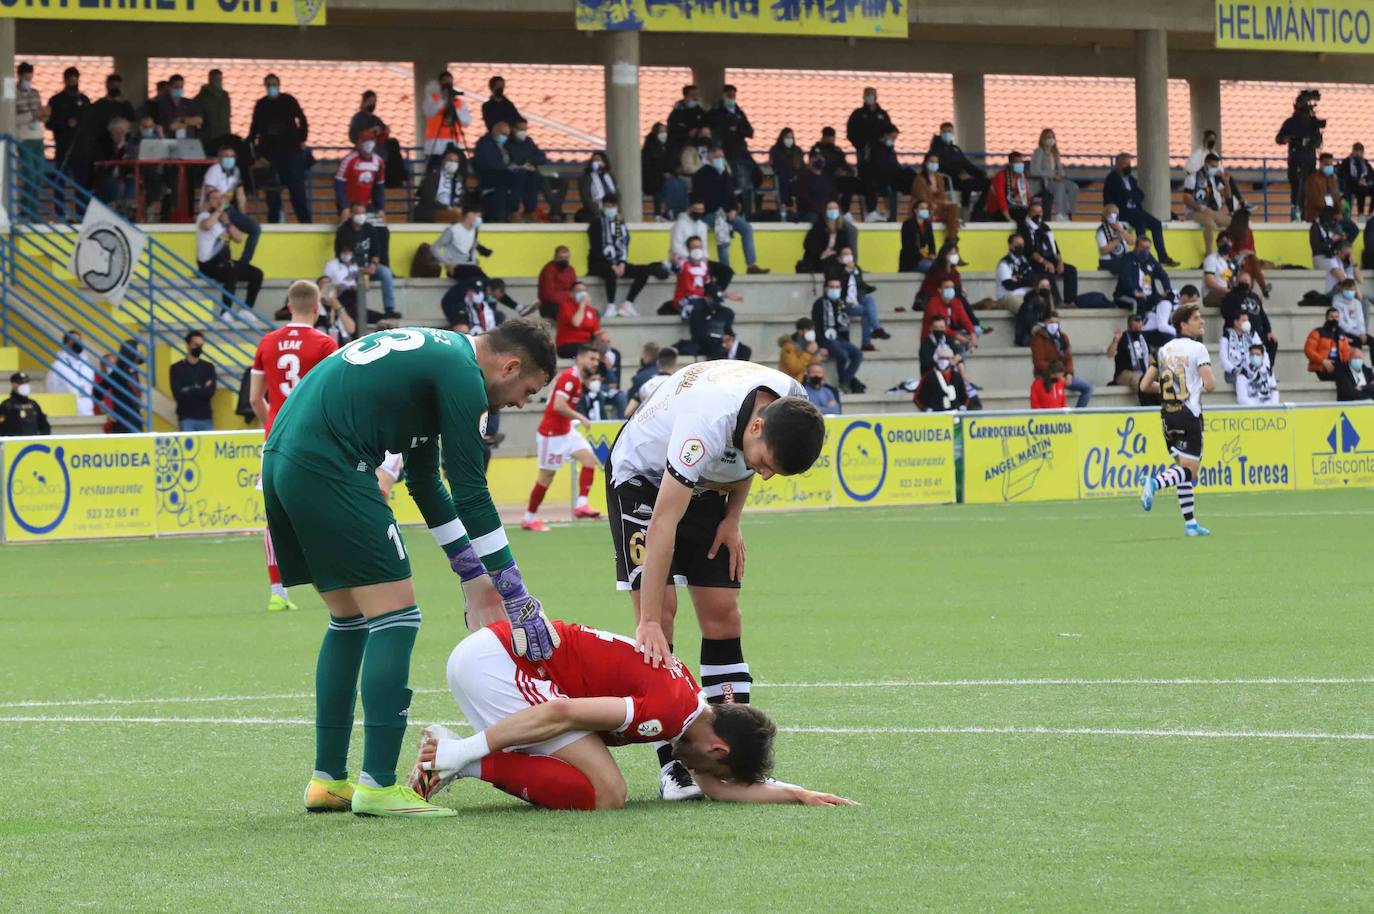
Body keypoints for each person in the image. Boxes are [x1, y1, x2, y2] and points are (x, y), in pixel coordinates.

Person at [262, 317, 557, 818]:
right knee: (397, 619)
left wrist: (471, 574)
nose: (521, 403)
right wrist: (516, 595)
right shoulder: (463, 374)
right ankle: (377, 787)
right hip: (332, 466)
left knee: (350, 620)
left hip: (283, 460)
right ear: (509, 366)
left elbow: (424, 482)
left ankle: (328, 780)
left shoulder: (436, 360)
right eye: (527, 389)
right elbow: (471, 490)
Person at [605, 359, 823, 800]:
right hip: (645, 481)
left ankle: (731, 755)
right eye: (766, 464)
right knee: (661, 622)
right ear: (757, 427)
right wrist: (645, 620)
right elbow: (664, 522)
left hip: (712, 486)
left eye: (773, 473)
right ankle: (673, 765)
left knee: (723, 615)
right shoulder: (705, 422)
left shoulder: (792, 404)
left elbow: (748, 461)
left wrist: (733, 518)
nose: (764, 474)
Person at [408, 618, 851, 810]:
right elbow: (560, 712)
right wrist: (466, 748)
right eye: (719, 767)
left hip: (501, 660)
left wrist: (799, 793)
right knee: (608, 793)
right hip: (499, 664)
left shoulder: (689, 707)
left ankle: (460, 759)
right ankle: (459, 757)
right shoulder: (670, 712)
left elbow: (717, 789)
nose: (705, 776)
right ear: (718, 747)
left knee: (599, 779)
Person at [249, 281, 340, 613]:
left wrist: (270, 424)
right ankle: (334, 584)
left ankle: (277, 591)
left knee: (276, 518)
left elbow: (254, 398)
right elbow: (333, 393)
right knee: (326, 510)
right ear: (318, 308)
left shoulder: (267, 342)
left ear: (288, 306)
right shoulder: (325, 344)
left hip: (275, 440)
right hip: (312, 441)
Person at [1139, 303, 1216, 537]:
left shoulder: (1163, 350)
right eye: (1196, 318)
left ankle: (1190, 523)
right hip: (1188, 413)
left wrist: (1168, 390)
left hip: (1167, 415)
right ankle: (1154, 483)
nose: (1202, 322)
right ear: (1184, 324)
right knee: (1189, 473)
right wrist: (1196, 387)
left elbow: (1144, 386)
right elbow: (1211, 385)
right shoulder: (1198, 349)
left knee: (1182, 470)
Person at [522, 346, 604, 532]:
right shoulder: (570, 377)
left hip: (566, 431)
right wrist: (580, 417)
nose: (595, 363)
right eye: (592, 359)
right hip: (552, 434)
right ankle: (529, 518)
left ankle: (582, 504)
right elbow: (559, 406)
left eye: (597, 360)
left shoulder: (578, 379)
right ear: (581, 358)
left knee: (589, 458)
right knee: (546, 477)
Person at [588, 195, 669, 318]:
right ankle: (610, 306)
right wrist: (612, 264)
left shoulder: (618, 224)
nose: (611, 209)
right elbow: (596, 248)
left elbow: (621, 244)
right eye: (608, 206)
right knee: (610, 272)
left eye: (613, 206)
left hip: (617, 263)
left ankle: (628, 304)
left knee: (643, 272)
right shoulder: (596, 223)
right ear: (602, 207)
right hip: (598, 262)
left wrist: (622, 263)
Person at [691, 146, 769, 274]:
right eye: (716, 157)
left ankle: (751, 265)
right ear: (709, 156)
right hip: (709, 213)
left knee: (746, 228)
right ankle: (725, 269)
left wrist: (732, 209)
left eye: (721, 157)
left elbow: (730, 195)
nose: (719, 160)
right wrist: (720, 212)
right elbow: (701, 198)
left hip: (727, 213)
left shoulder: (725, 174)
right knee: (723, 230)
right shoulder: (701, 174)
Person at [247, 73, 311, 224]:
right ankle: (273, 225)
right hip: (269, 154)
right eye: (269, 84)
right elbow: (254, 128)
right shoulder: (261, 104)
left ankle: (306, 224)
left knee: (297, 193)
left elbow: (302, 119)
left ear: (279, 85)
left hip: (291, 151)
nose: (271, 87)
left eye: (274, 84)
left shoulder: (288, 100)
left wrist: (302, 139)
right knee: (272, 195)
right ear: (265, 86)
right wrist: (253, 149)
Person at [197, 188, 263, 322]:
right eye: (214, 198)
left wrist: (227, 222)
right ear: (208, 202)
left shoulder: (224, 220)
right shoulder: (203, 216)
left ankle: (246, 309)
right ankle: (225, 312)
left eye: (220, 198)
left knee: (257, 274)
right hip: (208, 264)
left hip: (225, 262)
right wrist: (220, 211)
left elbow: (239, 238)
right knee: (231, 269)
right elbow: (208, 225)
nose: (219, 201)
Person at [1104, 152, 1179, 266]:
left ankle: (1163, 256)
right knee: (1141, 223)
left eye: (1129, 163)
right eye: (1125, 164)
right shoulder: (1112, 179)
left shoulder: (1131, 179)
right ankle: (1141, 255)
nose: (1128, 166)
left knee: (1156, 224)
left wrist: (1131, 196)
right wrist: (1131, 196)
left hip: (1136, 211)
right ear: (1117, 165)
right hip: (1123, 212)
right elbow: (1121, 195)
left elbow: (1140, 194)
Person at [199, 143, 260, 265]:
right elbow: (211, 195)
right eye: (226, 156)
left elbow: (240, 195)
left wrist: (243, 215)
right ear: (219, 158)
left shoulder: (236, 171)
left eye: (232, 156)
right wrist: (221, 214)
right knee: (223, 235)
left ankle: (244, 263)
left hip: (228, 209)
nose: (230, 159)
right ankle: (216, 263)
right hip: (212, 210)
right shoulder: (214, 171)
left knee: (255, 229)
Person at [336, 203, 398, 319]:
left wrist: (373, 264)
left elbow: (376, 251)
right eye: (358, 213)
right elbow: (343, 255)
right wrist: (359, 269)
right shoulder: (343, 231)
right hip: (351, 269)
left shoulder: (369, 228)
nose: (361, 216)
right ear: (351, 214)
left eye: (363, 213)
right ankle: (357, 310)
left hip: (369, 266)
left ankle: (389, 308)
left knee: (385, 272)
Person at [1276, 88, 1325, 220]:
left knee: (1309, 187)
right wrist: (1287, 138)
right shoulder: (1290, 123)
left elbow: (1318, 141)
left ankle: (1308, 213)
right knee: (1297, 186)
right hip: (1295, 159)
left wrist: (1314, 142)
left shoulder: (1313, 123)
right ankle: (1296, 211)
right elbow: (1279, 138)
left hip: (1309, 160)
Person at [812, 276, 865, 394]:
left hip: (840, 339)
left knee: (858, 354)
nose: (834, 289)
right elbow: (816, 325)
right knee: (843, 355)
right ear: (825, 289)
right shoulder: (819, 303)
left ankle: (845, 381)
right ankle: (844, 382)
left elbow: (845, 325)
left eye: (837, 287)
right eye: (831, 287)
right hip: (826, 339)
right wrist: (820, 346)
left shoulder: (842, 303)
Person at [709, 84, 756, 218]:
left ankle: (749, 211)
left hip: (742, 153)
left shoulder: (739, 112)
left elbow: (750, 131)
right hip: (727, 154)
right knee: (734, 181)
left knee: (754, 176)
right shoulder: (717, 112)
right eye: (729, 95)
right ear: (723, 95)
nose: (731, 98)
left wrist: (737, 128)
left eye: (733, 95)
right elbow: (717, 130)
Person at [1029, 311, 1092, 408]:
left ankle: (1077, 417)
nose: (1054, 325)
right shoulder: (1038, 339)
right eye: (1051, 322)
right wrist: (1056, 374)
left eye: (1056, 322)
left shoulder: (1063, 337)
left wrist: (1069, 374)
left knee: (1088, 388)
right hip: (1046, 376)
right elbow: (1039, 362)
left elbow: (1068, 358)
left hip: (1063, 374)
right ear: (1045, 323)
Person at [830, 245, 888, 350]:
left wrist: (868, 288)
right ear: (839, 257)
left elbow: (860, 285)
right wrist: (846, 271)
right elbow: (838, 286)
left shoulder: (857, 268)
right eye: (845, 254)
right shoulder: (835, 269)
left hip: (857, 298)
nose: (848, 256)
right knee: (866, 312)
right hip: (845, 302)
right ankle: (869, 339)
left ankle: (876, 330)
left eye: (850, 254)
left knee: (869, 299)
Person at [1020, 201, 1076, 306]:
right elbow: (1029, 251)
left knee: (1071, 270)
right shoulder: (1024, 228)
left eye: (1040, 212)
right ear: (1029, 214)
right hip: (1034, 262)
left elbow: (1055, 247)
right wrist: (1045, 262)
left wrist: (1060, 262)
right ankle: (1056, 301)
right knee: (1048, 270)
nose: (1038, 215)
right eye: (1035, 212)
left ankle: (1070, 301)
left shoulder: (1045, 227)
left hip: (1050, 259)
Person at [927, 121, 986, 218]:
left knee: (987, 183)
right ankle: (964, 210)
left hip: (961, 178)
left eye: (949, 132)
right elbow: (941, 166)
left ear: (953, 133)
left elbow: (967, 164)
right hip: (946, 180)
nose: (947, 134)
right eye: (944, 132)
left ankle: (977, 210)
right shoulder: (935, 150)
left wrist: (981, 174)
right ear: (940, 133)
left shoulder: (956, 149)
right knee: (967, 183)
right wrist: (958, 173)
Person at [14, 63, 49, 223]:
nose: (28, 79)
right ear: (19, 76)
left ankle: (29, 209)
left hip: (38, 137)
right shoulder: (12, 94)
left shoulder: (35, 93)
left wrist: (44, 114)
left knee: (39, 175)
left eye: (30, 76)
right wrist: (32, 114)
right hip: (23, 137)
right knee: (30, 175)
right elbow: (12, 119)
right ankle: (28, 211)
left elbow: (41, 116)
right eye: (25, 77)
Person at [1219, 271, 1277, 367]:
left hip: (1257, 333)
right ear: (1237, 282)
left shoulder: (1255, 297)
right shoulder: (1230, 296)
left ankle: (1267, 370)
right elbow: (1226, 313)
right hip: (1240, 333)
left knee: (1272, 342)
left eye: (1247, 281)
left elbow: (1262, 314)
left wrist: (1268, 331)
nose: (1245, 283)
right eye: (1243, 280)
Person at [1184, 153, 1236, 253]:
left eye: (1216, 167)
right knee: (1210, 224)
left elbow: (1227, 196)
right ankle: (1209, 255)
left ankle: (1228, 252)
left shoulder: (1213, 179)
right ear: (1205, 164)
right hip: (1193, 212)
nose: (1215, 169)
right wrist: (1201, 208)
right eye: (1212, 166)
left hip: (1210, 212)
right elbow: (1186, 199)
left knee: (1232, 222)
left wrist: (1226, 182)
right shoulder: (1192, 178)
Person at [433, 203, 490, 293]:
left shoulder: (473, 231)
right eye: (478, 215)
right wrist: (448, 263)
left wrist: (474, 260)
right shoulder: (453, 230)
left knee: (489, 285)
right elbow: (434, 248)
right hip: (457, 267)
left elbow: (468, 249)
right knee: (479, 284)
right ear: (469, 214)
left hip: (471, 267)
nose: (479, 219)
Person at [421, 70, 470, 170]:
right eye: (445, 82)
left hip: (453, 144)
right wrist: (443, 100)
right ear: (440, 84)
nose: (448, 85)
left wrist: (453, 106)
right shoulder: (432, 99)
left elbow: (467, 122)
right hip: (435, 146)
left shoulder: (458, 102)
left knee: (455, 173)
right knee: (435, 174)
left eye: (450, 82)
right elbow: (429, 112)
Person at [168, 330, 217, 432]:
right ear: (187, 345)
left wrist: (188, 389)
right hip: (186, 417)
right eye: (195, 345)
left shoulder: (208, 367)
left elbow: (210, 392)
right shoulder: (176, 368)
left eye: (200, 345)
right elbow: (177, 395)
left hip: (206, 417)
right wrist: (201, 388)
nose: (198, 348)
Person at [1115, 236, 1173, 317]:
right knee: (1139, 301)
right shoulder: (1127, 259)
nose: (1145, 250)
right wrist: (1134, 291)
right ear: (1136, 247)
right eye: (1142, 247)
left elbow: (1163, 274)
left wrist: (1167, 290)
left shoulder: (1150, 259)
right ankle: (1138, 326)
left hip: (1148, 294)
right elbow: (1125, 278)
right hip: (1127, 295)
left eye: (1147, 248)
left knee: (1164, 302)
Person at [334, 130, 386, 217]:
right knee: (347, 222)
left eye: (372, 140)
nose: (369, 144)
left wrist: (381, 208)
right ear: (359, 143)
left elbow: (379, 187)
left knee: (379, 220)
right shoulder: (349, 160)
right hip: (349, 204)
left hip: (367, 204)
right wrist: (344, 206)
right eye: (365, 141)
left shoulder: (379, 161)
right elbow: (339, 185)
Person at [1029, 129, 1078, 219]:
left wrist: (1061, 175)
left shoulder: (1055, 152)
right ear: (1042, 139)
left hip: (1058, 179)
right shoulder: (1039, 151)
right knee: (1060, 187)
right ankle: (1059, 214)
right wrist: (1052, 175)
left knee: (1073, 187)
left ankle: (1068, 213)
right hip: (1045, 181)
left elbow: (1060, 168)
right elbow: (1034, 170)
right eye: (1048, 137)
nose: (1050, 139)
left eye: (1052, 137)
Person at [48, 329, 97, 416]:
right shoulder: (58, 366)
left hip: (88, 413)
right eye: (74, 340)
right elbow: (52, 389)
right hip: (68, 414)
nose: (77, 343)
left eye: (79, 340)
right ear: (66, 344)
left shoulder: (87, 365)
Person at [799, 201, 855, 274]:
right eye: (830, 209)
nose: (833, 211)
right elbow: (807, 244)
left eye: (835, 208)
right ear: (826, 211)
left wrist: (838, 252)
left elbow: (845, 245)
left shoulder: (842, 229)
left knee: (847, 260)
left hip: (835, 258)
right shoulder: (818, 226)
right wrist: (823, 253)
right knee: (832, 263)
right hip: (818, 259)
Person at [911, 153, 961, 235]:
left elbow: (943, 197)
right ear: (926, 163)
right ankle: (952, 241)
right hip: (927, 208)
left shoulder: (939, 178)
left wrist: (944, 203)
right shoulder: (919, 179)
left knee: (954, 207)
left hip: (938, 208)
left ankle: (951, 239)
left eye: (936, 162)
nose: (934, 164)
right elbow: (923, 199)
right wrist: (941, 203)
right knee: (952, 219)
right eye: (932, 162)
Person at [1107, 313, 1153, 400]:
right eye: (1136, 321)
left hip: (1144, 372)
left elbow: (1149, 357)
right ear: (1129, 324)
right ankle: (1147, 404)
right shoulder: (1123, 337)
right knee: (1139, 380)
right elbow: (1109, 354)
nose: (1139, 323)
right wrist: (1116, 341)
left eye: (1140, 321)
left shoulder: (1144, 337)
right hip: (1125, 373)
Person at [625, 346, 677, 418]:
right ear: (675, 364)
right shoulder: (678, 385)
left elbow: (627, 412)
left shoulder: (645, 386)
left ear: (658, 364)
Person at [914, 345, 969, 412]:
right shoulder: (929, 377)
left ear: (951, 360)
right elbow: (917, 397)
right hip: (936, 416)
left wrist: (963, 407)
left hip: (955, 414)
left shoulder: (957, 376)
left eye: (946, 359)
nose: (943, 361)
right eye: (941, 358)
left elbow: (965, 396)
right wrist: (925, 409)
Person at [1304, 306, 1352, 381]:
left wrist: (1347, 367)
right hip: (1322, 366)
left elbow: (1346, 352)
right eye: (1331, 317)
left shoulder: (1341, 334)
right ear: (1326, 318)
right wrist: (1323, 361)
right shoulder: (1317, 332)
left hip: (1338, 365)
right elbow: (1309, 350)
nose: (1334, 319)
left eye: (1336, 317)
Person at [1218, 311, 1265, 386]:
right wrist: (1234, 370)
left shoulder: (1252, 335)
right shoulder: (1226, 336)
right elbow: (1223, 359)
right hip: (1233, 373)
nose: (1247, 323)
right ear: (1236, 322)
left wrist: (1252, 336)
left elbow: (1261, 351)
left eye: (1247, 320)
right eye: (1243, 320)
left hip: (1251, 371)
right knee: (1243, 382)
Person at [556, 282, 601, 358]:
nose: (583, 293)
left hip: (586, 344)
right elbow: (576, 323)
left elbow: (597, 332)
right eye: (579, 291)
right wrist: (582, 305)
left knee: (613, 353)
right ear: (571, 294)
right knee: (588, 352)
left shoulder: (591, 310)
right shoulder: (565, 306)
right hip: (568, 345)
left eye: (585, 291)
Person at [769, 128, 805, 221]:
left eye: (791, 137)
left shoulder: (797, 150)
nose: (789, 140)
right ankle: (785, 211)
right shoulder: (775, 150)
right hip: (782, 180)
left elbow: (802, 167)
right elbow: (775, 166)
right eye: (787, 137)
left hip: (796, 180)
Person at [985, 151, 1031, 223]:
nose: (1020, 165)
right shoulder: (1001, 176)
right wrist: (1008, 218)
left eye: (1021, 162)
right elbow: (1000, 198)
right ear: (1010, 164)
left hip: (1015, 207)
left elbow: (1027, 196)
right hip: (997, 210)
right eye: (1017, 162)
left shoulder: (1021, 177)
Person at [995, 232, 1036, 314]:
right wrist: (1024, 280)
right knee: (1025, 310)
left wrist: (1019, 279)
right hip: (1008, 296)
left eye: (1022, 244)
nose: (1021, 247)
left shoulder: (1023, 261)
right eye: (1017, 244)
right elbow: (1009, 285)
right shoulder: (1004, 264)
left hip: (1025, 293)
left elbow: (1033, 280)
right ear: (1010, 246)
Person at [0, 371, 50, 436]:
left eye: (26, 383)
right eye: (21, 383)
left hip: (32, 443)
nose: (24, 385)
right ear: (13, 384)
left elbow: (44, 426)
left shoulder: (34, 404)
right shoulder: (6, 405)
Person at [537, 245, 578, 321]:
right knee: (568, 313)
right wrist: (569, 295)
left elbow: (576, 289)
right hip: (549, 306)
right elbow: (549, 295)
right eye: (561, 258)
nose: (564, 260)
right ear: (555, 258)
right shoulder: (549, 270)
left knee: (593, 313)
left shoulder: (571, 270)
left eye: (566, 258)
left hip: (568, 304)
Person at [1302, 151, 1342, 223]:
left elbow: (1336, 197)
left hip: (1332, 215)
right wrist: (1329, 211)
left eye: (1331, 164)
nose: (1329, 167)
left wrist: (1339, 212)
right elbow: (1315, 201)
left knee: (1353, 228)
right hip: (1318, 215)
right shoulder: (1313, 180)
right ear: (1320, 164)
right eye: (1327, 164)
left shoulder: (1333, 179)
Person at [1096, 204, 1137, 275]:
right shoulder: (1101, 230)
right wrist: (1118, 239)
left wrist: (1121, 230)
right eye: (1110, 214)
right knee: (1126, 266)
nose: (1113, 216)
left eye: (1115, 213)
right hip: (1108, 260)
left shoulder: (1124, 226)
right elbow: (1103, 250)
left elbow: (1133, 241)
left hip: (1124, 258)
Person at [578, 150, 617, 221]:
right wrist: (597, 211)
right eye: (594, 160)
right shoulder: (587, 177)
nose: (596, 162)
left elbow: (616, 194)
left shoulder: (610, 176)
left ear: (604, 161)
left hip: (610, 210)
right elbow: (585, 198)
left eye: (598, 159)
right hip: (594, 212)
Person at [195, 69, 231, 147]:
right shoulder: (201, 98)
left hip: (225, 137)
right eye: (216, 79)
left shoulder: (225, 96)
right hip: (208, 138)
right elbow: (197, 120)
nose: (218, 82)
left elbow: (227, 117)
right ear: (210, 80)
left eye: (220, 79)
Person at [1332, 277, 1371, 346]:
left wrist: (1362, 333)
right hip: (1344, 332)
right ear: (1342, 289)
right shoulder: (1336, 302)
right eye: (1347, 289)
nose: (1350, 292)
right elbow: (1341, 323)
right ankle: (1356, 357)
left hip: (1358, 332)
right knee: (1357, 341)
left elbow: (1360, 321)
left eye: (1352, 290)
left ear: (1355, 290)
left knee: (1371, 341)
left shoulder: (1357, 303)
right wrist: (1358, 334)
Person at [899, 204, 937, 273]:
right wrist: (920, 252)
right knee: (932, 266)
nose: (925, 210)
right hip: (912, 261)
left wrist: (932, 254)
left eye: (926, 208)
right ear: (915, 210)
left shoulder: (928, 225)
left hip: (925, 258)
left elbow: (932, 243)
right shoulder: (908, 224)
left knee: (941, 265)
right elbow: (906, 245)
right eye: (922, 208)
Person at [1201, 234, 1236, 308]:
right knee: (1234, 300)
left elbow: (1227, 279)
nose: (1226, 244)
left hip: (1225, 293)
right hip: (1211, 294)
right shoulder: (1211, 259)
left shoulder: (1231, 262)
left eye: (1228, 242)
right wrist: (1227, 291)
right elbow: (1209, 283)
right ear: (1217, 243)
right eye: (1223, 242)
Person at [1340, 142, 1373, 216]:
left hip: (1363, 185)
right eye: (1356, 152)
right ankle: (1350, 214)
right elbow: (1343, 175)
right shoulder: (1346, 162)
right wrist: (1357, 180)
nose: (1358, 154)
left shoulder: (1365, 162)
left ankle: (1370, 212)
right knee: (1356, 191)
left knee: (1366, 189)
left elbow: (1371, 174)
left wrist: (1366, 180)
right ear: (1353, 151)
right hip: (1350, 185)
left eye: (1360, 152)